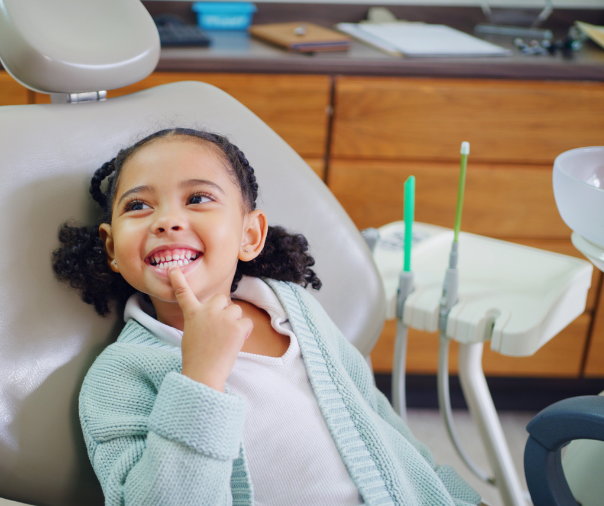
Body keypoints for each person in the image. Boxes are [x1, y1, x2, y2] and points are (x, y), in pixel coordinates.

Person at [53, 128, 482, 505]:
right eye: (138, 207)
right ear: (111, 248)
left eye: (198, 198)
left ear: (250, 234)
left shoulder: (295, 310)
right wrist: (200, 378)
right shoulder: (118, 378)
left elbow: (377, 420)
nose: (167, 221)